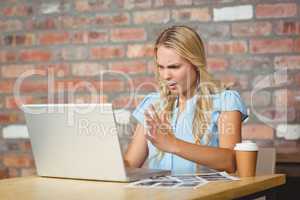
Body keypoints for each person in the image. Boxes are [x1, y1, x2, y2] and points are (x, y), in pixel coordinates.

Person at [124, 25, 248, 173]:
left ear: (195, 64)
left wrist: (172, 144)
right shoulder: (153, 104)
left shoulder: (225, 101)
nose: (165, 76)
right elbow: (130, 165)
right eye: (160, 67)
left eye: (174, 67)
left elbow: (231, 161)